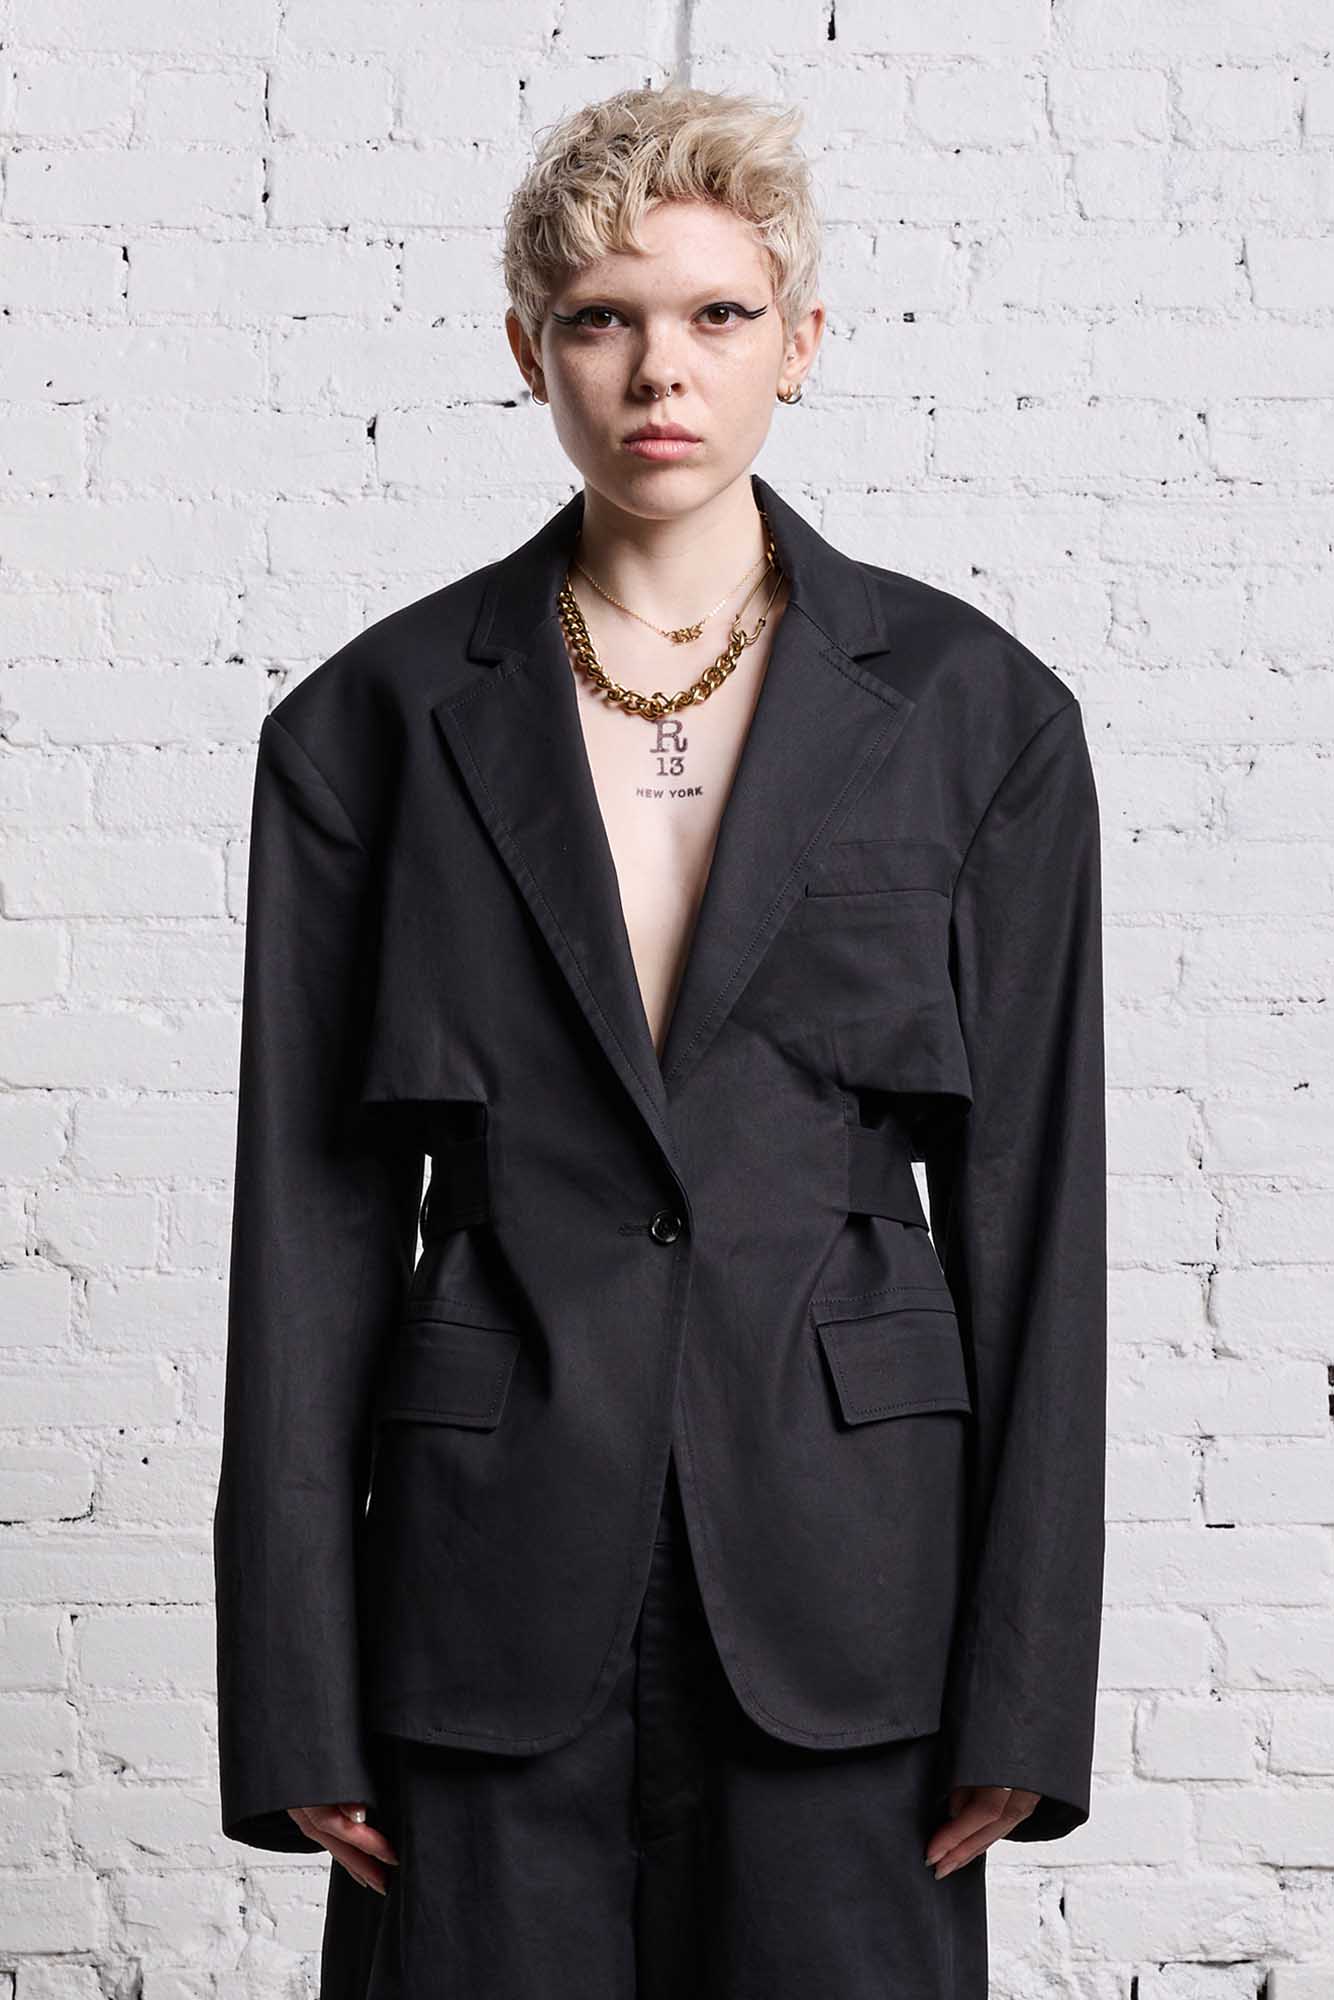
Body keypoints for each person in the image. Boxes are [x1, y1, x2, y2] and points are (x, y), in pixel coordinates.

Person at [213, 82, 1107, 1999]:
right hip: (477, 1590)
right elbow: (307, 1226)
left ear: (802, 339)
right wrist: (294, 1695)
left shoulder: (978, 715)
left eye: (716, 314)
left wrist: (1026, 1685)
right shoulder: (369, 726)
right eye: (602, 319)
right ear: (527, 347)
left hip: (853, 1596)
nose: (658, 371)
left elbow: (1037, 1208)